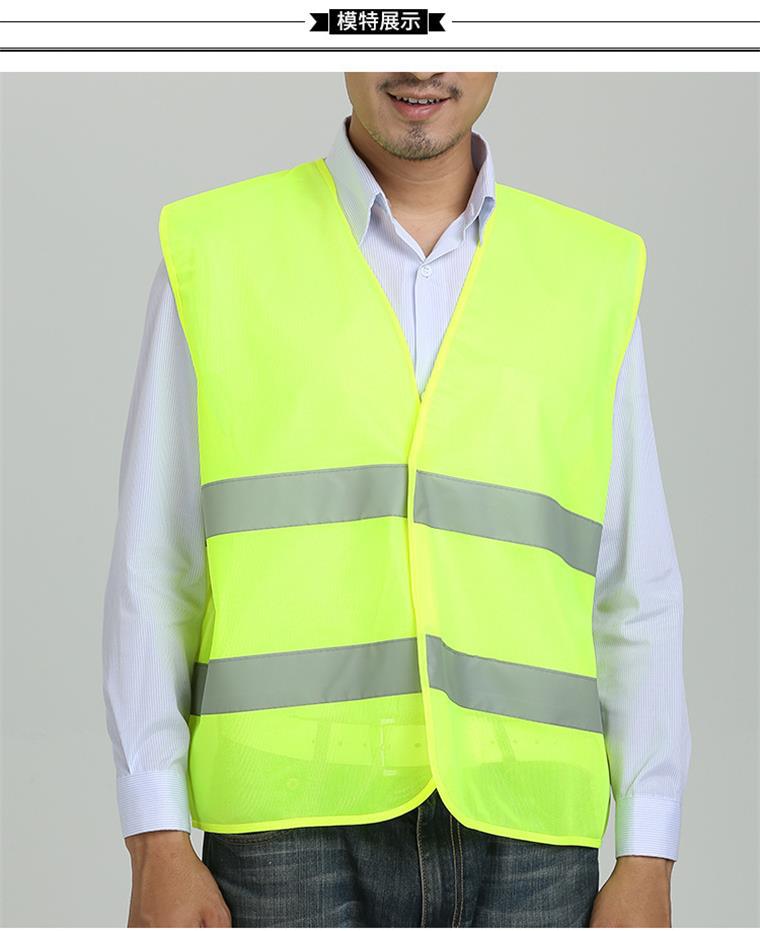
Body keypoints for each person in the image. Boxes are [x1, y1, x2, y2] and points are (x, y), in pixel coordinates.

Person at [102, 72, 690, 928]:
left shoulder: (592, 273)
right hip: (284, 823)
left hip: (528, 826)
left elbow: (635, 586)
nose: (420, 64)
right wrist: (155, 835)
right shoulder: (219, 251)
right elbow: (156, 566)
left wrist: (648, 849)